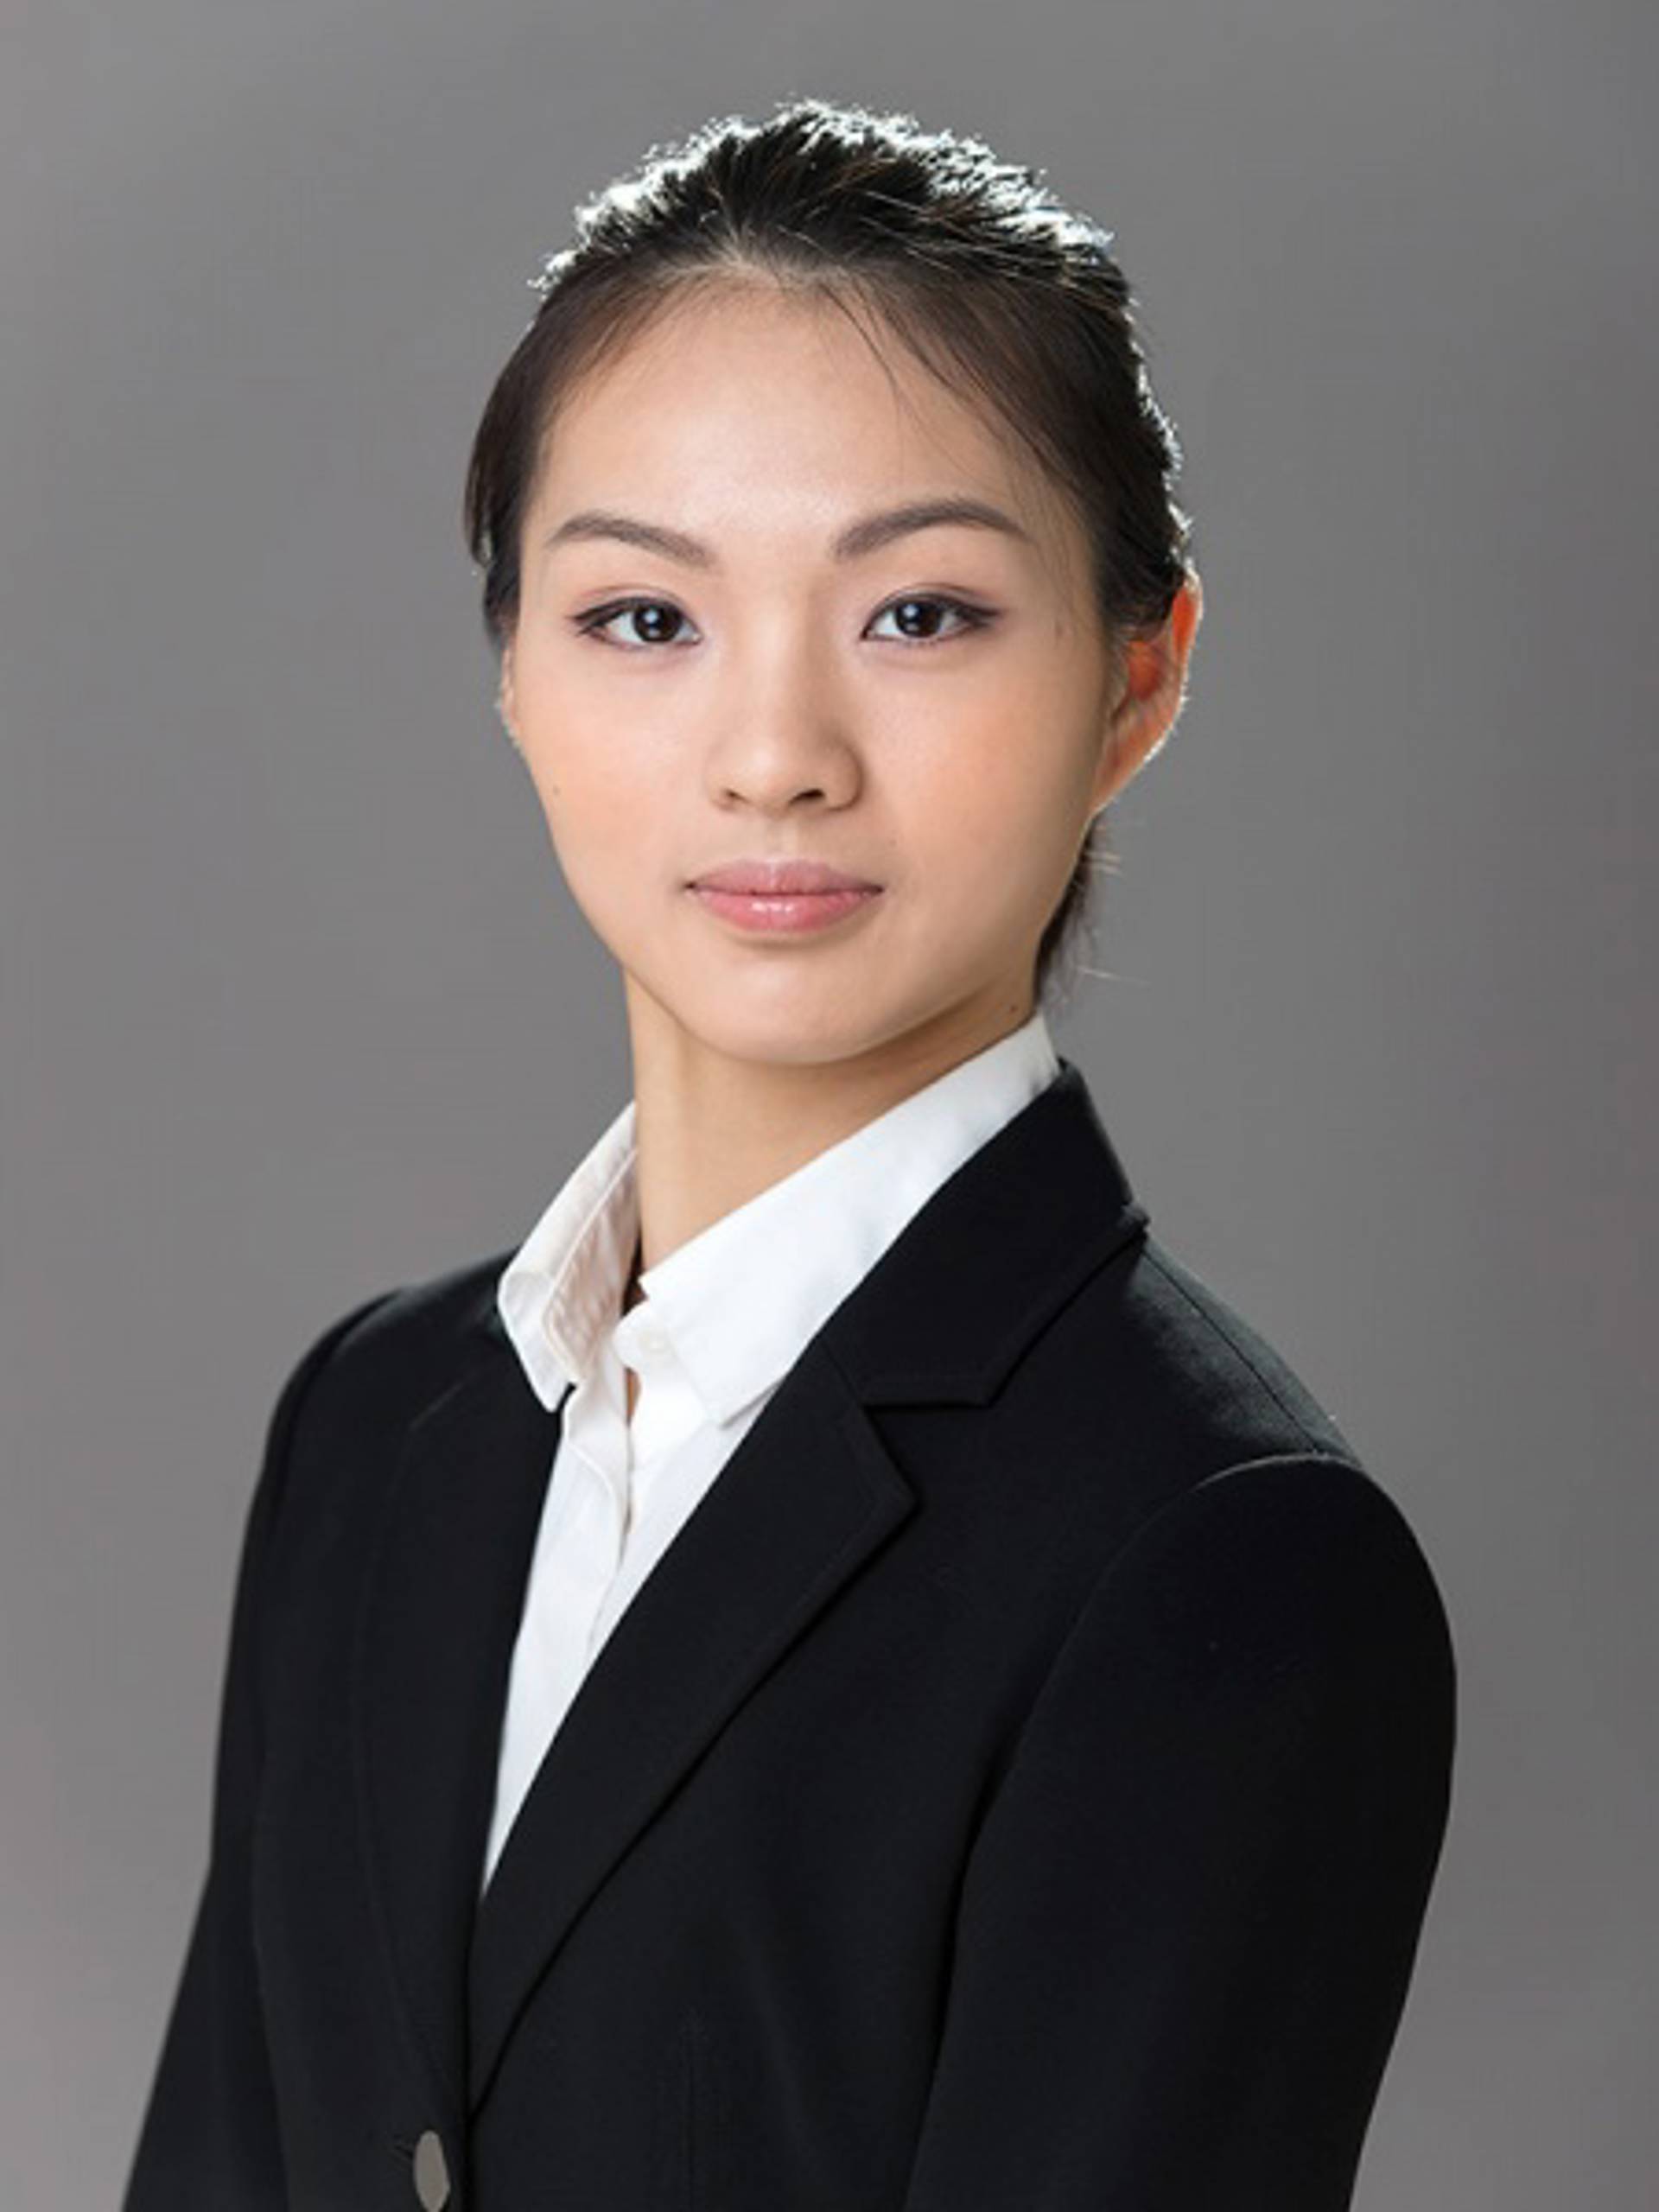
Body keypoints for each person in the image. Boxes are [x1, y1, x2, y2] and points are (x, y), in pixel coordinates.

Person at [123, 94, 1456, 2212]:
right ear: (511, 671)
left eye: (919, 614)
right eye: (645, 618)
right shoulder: (377, 1423)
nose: (774, 757)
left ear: (1142, 675)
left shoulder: (1222, 1563)